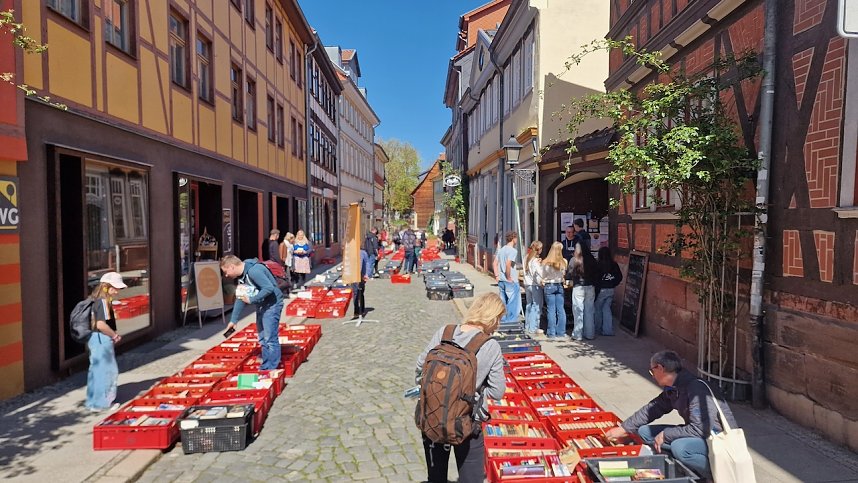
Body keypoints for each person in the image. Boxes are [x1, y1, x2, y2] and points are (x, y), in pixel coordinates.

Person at [416, 293, 506, 483]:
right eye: (499, 319)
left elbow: (420, 366)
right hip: (467, 421)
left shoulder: (445, 332)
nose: (498, 325)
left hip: (434, 415)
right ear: (493, 317)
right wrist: (473, 392)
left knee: (435, 477)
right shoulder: (490, 346)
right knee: (470, 478)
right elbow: (497, 391)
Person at [605, 350, 737, 479]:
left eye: (652, 371)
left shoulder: (696, 388)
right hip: (698, 432)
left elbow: (700, 429)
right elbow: (653, 408)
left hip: (717, 438)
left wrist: (666, 434)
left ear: (660, 368)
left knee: (681, 448)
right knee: (644, 432)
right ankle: (681, 465)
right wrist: (624, 428)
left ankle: (715, 474)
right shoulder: (673, 388)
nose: (652, 375)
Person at [220, 255, 284, 368]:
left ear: (232, 267)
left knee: (270, 338)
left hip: (272, 304)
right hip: (262, 305)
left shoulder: (254, 271)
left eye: (225, 271)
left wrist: (252, 300)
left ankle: (271, 367)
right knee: (262, 337)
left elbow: (269, 288)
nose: (226, 275)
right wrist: (234, 320)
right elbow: (241, 297)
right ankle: (266, 364)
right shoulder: (242, 276)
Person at [85, 272, 126, 411]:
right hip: (101, 338)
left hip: (94, 338)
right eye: (115, 287)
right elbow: (101, 324)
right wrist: (114, 335)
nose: (117, 291)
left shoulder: (95, 299)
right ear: (106, 286)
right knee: (107, 370)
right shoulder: (103, 302)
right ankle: (103, 403)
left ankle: (93, 402)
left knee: (96, 370)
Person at [566, 242, 598, 340]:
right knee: (589, 310)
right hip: (590, 286)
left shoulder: (574, 260)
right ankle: (590, 334)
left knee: (578, 311)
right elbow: (597, 272)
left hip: (578, 287)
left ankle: (578, 334)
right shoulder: (592, 259)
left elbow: (569, 273)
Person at [540, 242, 567, 339]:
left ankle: (551, 333)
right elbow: (563, 274)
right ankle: (561, 332)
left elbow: (542, 275)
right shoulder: (564, 261)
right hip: (559, 285)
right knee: (560, 309)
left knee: (551, 309)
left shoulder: (546, 262)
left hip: (549, 285)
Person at [493, 231, 521, 324]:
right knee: (513, 304)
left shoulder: (501, 249)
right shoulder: (513, 251)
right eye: (516, 238)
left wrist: (497, 276)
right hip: (510, 281)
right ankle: (510, 324)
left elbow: (494, 263)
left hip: (501, 280)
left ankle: (502, 323)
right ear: (513, 239)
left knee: (503, 303)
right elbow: (508, 264)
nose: (517, 240)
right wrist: (508, 277)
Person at [595, 247, 623, 336]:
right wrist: (613, 284)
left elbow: (594, 278)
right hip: (610, 289)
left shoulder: (598, 264)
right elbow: (619, 277)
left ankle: (597, 329)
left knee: (598, 309)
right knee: (607, 309)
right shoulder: (614, 264)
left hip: (601, 289)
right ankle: (608, 330)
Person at [523, 240, 544, 335]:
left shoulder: (526, 258)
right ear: (538, 249)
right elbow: (540, 273)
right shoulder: (535, 260)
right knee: (536, 306)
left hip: (527, 283)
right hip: (535, 285)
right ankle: (534, 327)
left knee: (529, 305)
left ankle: (527, 326)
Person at [352, 248, 372, 318]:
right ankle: (357, 311)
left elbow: (367, 263)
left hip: (362, 276)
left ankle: (362, 310)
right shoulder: (350, 252)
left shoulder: (363, 253)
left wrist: (367, 274)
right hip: (353, 276)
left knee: (361, 292)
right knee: (355, 293)